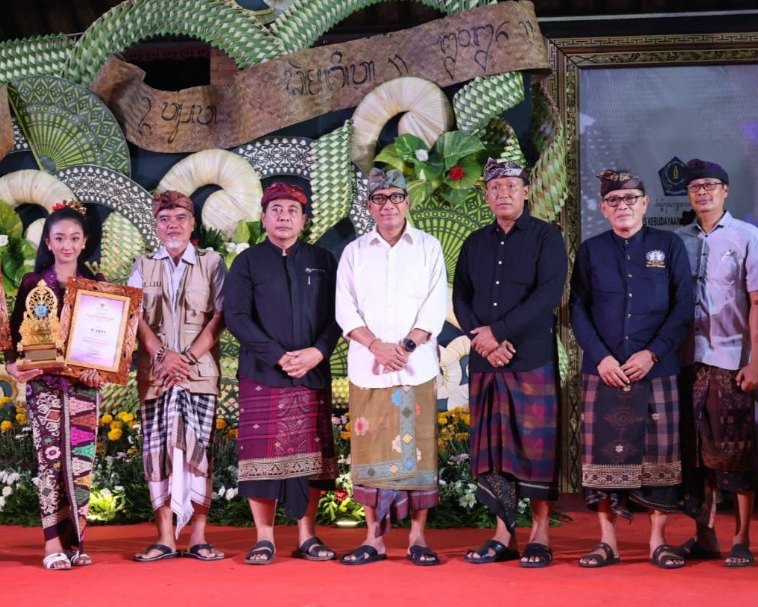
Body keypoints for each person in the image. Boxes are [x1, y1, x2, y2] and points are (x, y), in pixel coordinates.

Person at [569, 169, 693, 569]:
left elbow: (683, 308)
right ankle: (607, 542)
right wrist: (602, 357)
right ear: (603, 208)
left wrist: (652, 353)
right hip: (603, 370)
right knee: (603, 461)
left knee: (661, 458)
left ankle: (658, 541)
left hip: (656, 370)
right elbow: (578, 308)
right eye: (614, 200)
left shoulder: (668, 245)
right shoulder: (591, 250)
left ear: (645, 203)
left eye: (630, 199)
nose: (623, 206)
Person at [453, 158, 568, 568]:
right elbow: (460, 298)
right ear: (486, 195)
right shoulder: (474, 242)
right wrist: (482, 340)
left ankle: (540, 534)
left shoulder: (546, 237)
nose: (503, 193)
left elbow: (548, 294)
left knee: (536, 449)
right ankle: (503, 534)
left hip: (529, 357)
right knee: (493, 451)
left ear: (525, 192)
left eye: (511, 186)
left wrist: (498, 332)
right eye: (495, 187)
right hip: (487, 362)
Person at [335, 168, 447, 566]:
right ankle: (373, 538)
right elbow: (345, 309)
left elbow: (435, 304)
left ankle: (418, 538)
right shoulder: (353, 252)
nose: (388, 205)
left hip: (414, 368)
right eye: (379, 198)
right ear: (368, 206)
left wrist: (406, 346)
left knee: (419, 453)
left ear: (407, 202)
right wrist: (377, 347)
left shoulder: (428, 247)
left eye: (395, 197)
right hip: (370, 368)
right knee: (369, 451)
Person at [224, 182, 341, 565]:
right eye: (276, 209)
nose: (284, 216)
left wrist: (317, 352)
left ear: (304, 219)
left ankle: (307, 535)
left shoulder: (324, 260)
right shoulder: (248, 262)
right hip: (263, 373)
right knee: (260, 460)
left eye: (292, 210)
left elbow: (337, 317)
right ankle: (264, 537)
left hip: (311, 372)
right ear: (263, 217)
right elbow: (236, 317)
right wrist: (278, 356)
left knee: (313, 459)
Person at [674, 159, 758, 568]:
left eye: (710, 185)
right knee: (693, 454)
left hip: (729, 361)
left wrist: (757, 363)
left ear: (725, 190)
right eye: (696, 187)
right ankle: (704, 537)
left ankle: (742, 538)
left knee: (736, 452)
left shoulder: (747, 236)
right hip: (686, 360)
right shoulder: (677, 240)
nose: (703, 192)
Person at [128, 191, 227, 562]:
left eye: (180, 218)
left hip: (198, 374)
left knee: (199, 453)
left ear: (193, 223)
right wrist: (161, 356)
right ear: (156, 225)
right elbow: (133, 316)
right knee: (158, 455)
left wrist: (185, 358)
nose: (173, 225)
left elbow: (222, 315)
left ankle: (199, 536)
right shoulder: (142, 264)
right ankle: (165, 537)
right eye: (165, 218)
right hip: (156, 376)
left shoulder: (212, 262)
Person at [5, 201, 104, 570]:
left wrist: (100, 372)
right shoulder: (33, 284)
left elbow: (108, 347)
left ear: (84, 242)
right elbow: (15, 338)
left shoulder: (98, 286)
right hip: (44, 386)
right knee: (49, 462)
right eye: (59, 237)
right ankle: (51, 544)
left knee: (80, 464)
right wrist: (14, 367)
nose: (67, 245)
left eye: (74, 238)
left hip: (83, 388)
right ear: (47, 242)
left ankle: (76, 542)